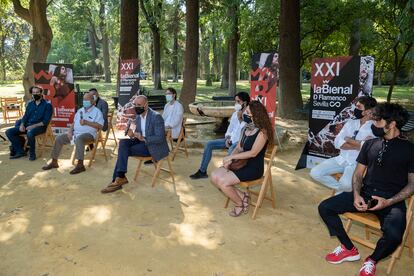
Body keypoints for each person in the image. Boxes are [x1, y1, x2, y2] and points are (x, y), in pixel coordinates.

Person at [318, 103, 414, 276]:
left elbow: (412, 184)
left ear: (391, 124)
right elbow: (358, 173)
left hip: (392, 201)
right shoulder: (370, 144)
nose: (373, 124)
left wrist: (389, 202)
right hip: (365, 194)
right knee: (325, 207)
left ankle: (372, 259)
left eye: (377, 121)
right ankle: (348, 248)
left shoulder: (410, 150)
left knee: (394, 236)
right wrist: (356, 195)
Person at [211, 100, 274, 217]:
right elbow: (239, 147)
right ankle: (243, 196)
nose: (245, 114)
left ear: (255, 115)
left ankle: (239, 203)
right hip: (240, 163)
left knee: (223, 182)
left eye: (248, 112)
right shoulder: (246, 128)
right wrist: (230, 158)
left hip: (253, 168)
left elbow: (253, 153)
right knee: (214, 176)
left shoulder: (262, 133)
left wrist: (232, 156)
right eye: (245, 111)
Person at [101, 95, 169, 193]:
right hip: (141, 143)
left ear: (146, 105)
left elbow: (160, 137)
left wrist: (144, 138)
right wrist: (132, 135)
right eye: (135, 105)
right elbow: (138, 134)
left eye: (139, 105)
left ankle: (118, 179)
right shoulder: (138, 116)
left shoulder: (156, 116)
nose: (136, 107)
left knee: (124, 150)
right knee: (123, 143)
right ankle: (120, 177)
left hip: (152, 147)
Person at [310, 96, 377, 193]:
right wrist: (359, 144)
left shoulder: (374, 127)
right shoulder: (351, 122)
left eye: (359, 107)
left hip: (357, 163)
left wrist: (348, 140)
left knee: (346, 184)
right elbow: (337, 142)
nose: (355, 109)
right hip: (341, 159)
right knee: (315, 173)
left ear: (368, 110)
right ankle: (345, 191)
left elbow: (369, 148)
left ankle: (342, 192)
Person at [189, 91, 250, 179]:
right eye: (235, 101)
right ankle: (202, 171)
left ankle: (226, 177)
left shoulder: (249, 114)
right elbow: (230, 128)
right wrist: (228, 137)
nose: (236, 104)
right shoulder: (234, 113)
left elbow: (244, 131)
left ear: (245, 103)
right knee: (209, 144)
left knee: (231, 151)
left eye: (238, 101)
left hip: (239, 143)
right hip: (230, 140)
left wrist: (240, 117)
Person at [42, 93, 104, 174]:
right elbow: (74, 123)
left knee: (80, 139)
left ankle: (80, 165)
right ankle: (54, 161)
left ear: (92, 101)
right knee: (59, 138)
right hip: (75, 133)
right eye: (84, 100)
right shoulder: (80, 110)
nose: (85, 102)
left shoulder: (97, 112)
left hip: (89, 135)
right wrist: (70, 131)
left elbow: (100, 126)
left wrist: (87, 122)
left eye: (87, 100)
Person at [6, 86, 53, 161]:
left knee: (30, 133)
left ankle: (32, 153)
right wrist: (22, 124)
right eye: (33, 93)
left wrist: (33, 126)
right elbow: (25, 116)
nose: (35, 94)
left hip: (40, 127)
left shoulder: (47, 105)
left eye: (37, 92)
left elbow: (45, 121)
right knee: (9, 132)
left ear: (41, 93)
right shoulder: (30, 104)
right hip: (28, 125)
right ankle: (20, 151)